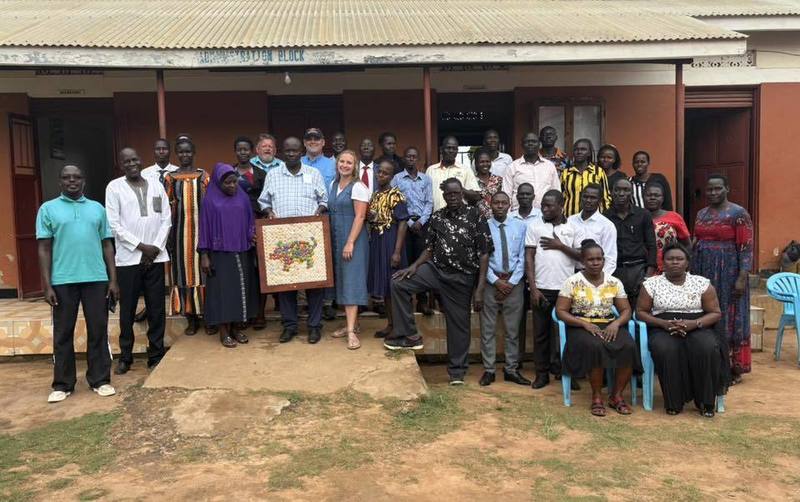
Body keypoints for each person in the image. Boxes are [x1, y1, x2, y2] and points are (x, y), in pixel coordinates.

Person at [388, 178, 491, 386]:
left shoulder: (476, 216)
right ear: (444, 196)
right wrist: (414, 266)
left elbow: (484, 254)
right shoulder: (437, 217)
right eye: (449, 194)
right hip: (436, 270)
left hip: (462, 278)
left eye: (456, 193)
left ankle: (457, 372)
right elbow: (429, 248)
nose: (452, 197)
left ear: (461, 193)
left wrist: (479, 289)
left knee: (459, 325)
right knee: (399, 283)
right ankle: (409, 335)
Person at [37, 165, 117, 403]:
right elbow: (43, 248)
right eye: (66, 177)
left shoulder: (97, 209)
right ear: (60, 181)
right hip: (62, 280)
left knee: (98, 331)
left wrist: (113, 280)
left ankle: (100, 380)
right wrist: (47, 284)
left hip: (96, 279)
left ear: (84, 181)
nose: (72, 181)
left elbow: (107, 245)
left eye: (76, 177)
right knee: (63, 333)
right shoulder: (48, 209)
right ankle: (63, 384)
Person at [636, 243, 726, 417]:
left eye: (679, 259)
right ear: (663, 262)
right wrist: (663, 324)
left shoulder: (701, 283)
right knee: (666, 349)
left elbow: (715, 313)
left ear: (687, 263)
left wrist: (694, 324)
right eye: (670, 259)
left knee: (707, 348)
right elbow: (640, 312)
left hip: (697, 325)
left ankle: (705, 402)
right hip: (662, 326)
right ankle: (674, 402)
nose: (675, 262)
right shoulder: (651, 284)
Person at [106, 147, 171, 374]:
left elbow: (166, 219)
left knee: (156, 308)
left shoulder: (155, 184)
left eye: (134, 159)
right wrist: (141, 247)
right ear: (121, 165)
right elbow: (114, 225)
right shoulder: (114, 187)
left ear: (140, 160)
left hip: (156, 257)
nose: (131, 164)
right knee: (128, 310)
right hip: (128, 260)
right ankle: (126, 356)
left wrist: (154, 248)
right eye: (126, 161)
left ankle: (156, 354)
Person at [555, 240, 639, 416]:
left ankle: (616, 396)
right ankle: (597, 397)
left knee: (629, 346)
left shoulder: (614, 282)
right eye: (590, 259)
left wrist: (616, 323)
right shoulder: (572, 282)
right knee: (595, 346)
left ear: (603, 261)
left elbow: (625, 310)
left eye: (598, 259)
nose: (595, 263)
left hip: (608, 324)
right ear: (583, 262)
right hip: (580, 326)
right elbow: (561, 311)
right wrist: (584, 324)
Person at [259, 137, 329, 344]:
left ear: (302, 152)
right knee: (285, 283)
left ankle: (314, 326)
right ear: (282, 152)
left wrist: (319, 211)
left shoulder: (313, 174)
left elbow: (324, 200)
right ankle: (289, 326)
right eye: (287, 151)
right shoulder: (273, 175)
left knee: (314, 284)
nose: (291, 154)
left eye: (295, 151)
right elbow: (264, 201)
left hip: (308, 237)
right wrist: (269, 211)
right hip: (282, 237)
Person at [692, 174, 753, 384]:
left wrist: (742, 277)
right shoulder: (701, 213)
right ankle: (710, 361)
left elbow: (745, 248)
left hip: (729, 272)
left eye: (718, 189)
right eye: (709, 190)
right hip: (703, 271)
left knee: (730, 316)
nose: (713, 193)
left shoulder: (738, 214)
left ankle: (732, 368)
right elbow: (696, 241)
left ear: (727, 188)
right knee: (706, 312)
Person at [526, 189, 583, 389]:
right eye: (543, 205)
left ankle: (568, 372)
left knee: (569, 334)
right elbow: (529, 257)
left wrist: (560, 246)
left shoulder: (573, 227)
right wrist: (533, 288)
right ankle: (542, 374)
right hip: (542, 288)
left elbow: (582, 256)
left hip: (566, 291)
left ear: (561, 206)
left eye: (550, 205)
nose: (545, 209)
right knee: (541, 335)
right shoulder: (534, 226)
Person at [198, 163, 260, 348]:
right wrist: (204, 254)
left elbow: (250, 220)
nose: (232, 186)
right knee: (223, 293)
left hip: (242, 250)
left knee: (240, 291)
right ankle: (223, 331)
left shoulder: (242, 197)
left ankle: (235, 329)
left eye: (234, 182)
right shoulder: (210, 201)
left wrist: (252, 236)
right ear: (218, 183)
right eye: (228, 183)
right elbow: (204, 229)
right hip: (220, 253)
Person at [478, 191, 530, 387]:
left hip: (514, 284)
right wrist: (496, 281)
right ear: (490, 205)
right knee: (488, 329)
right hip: (491, 283)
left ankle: (511, 369)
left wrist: (511, 282)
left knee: (512, 329)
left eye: (503, 203)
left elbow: (523, 257)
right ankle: (489, 370)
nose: (499, 206)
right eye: (496, 203)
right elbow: (481, 256)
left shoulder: (520, 226)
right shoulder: (483, 227)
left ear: (510, 205)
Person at [164, 137, 209, 335]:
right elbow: (166, 209)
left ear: (194, 152)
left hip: (202, 234)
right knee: (183, 276)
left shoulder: (203, 176)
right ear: (176, 154)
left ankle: (208, 317)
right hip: (179, 236)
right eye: (181, 152)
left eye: (188, 152)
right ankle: (191, 319)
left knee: (205, 276)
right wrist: (168, 237)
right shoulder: (170, 178)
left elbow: (209, 206)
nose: (184, 155)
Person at [327, 150, 370, 350]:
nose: (344, 165)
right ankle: (353, 324)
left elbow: (360, 217)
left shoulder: (359, 187)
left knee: (351, 281)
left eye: (349, 162)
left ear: (355, 167)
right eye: (342, 161)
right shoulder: (333, 185)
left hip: (353, 239)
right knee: (343, 281)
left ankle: (351, 332)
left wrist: (350, 241)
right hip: (337, 238)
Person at [368, 160, 409, 339]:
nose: (380, 175)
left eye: (385, 173)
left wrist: (397, 251)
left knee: (394, 287)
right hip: (378, 239)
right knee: (385, 287)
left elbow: (403, 223)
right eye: (379, 172)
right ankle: (390, 324)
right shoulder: (376, 195)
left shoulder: (396, 195)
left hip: (392, 241)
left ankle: (400, 327)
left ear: (392, 176)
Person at [391, 146, 434, 316]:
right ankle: (407, 301)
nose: (411, 159)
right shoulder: (397, 179)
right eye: (408, 156)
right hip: (404, 226)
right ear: (403, 159)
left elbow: (429, 202)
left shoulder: (426, 179)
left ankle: (422, 302)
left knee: (421, 262)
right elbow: (394, 202)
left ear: (418, 159)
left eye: (414, 156)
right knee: (406, 261)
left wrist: (421, 221)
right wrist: (409, 222)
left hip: (422, 225)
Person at [604, 178, 657, 309]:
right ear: (611, 192)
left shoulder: (643, 215)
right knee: (616, 310)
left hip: (638, 269)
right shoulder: (605, 217)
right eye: (617, 190)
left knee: (639, 310)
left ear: (631, 193)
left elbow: (651, 245)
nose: (621, 193)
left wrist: (648, 276)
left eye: (626, 190)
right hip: (614, 270)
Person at [567, 183, 617, 275]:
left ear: (600, 201)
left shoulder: (607, 225)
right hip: (572, 274)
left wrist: (600, 280)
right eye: (585, 197)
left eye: (593, 198)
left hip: (596, 275)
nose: (588, 200)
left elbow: (610, 259)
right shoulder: (570, 221)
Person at [503, 132, 560, 211]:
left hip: (544, 214)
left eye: (534, 141)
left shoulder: (549, 166)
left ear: (539, 144)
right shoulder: (512, 167)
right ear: (522, 145)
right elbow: (506, 194)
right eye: (527, 142)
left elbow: (556, 191)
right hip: (519, 216)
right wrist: (508, 218)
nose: (530, 144)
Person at [644, 182, 690, 272]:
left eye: (657, 195)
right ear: (643, 197)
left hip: (671, 267)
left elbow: (687, 244)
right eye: (649, 195)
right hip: (645, 267)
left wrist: (686, 266)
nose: (652, 198)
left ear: (663, 198)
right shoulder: (637, 217)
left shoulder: (674, 217)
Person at [427, 136, 481, 211]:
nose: (451, 151)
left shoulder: (465, 170)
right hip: (437, 218)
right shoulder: (431, 170)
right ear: (442, 149)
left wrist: (459, 189)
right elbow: (425, 196)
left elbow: (476, 196)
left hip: (460, 218)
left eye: (454, 148)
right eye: (448, 148)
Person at [561, 138, 611, 217]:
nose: (579, 152)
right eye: (576, 149)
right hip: (570, 219)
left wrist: (604, 216)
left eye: (583, 149)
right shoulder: (566, 173)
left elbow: (605, 197)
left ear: (589, 153)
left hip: (593, 219)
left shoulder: (598, 172)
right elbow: (561, 197)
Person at [233, 136, 266, 217]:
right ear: (235, 151)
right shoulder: (230, 172)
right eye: (239, 150)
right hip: (233, 214)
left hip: (255, 216)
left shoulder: (261, 173)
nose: (243, 152)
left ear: (251, 151)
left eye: (246, 150)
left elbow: (265, 198)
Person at [474, 148, 503, 219]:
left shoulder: (498, 180)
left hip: (495, 220)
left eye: (487, 161)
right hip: (477, 220)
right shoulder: (472, 180)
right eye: (482, 162)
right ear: (476, 163)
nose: (485, 164)